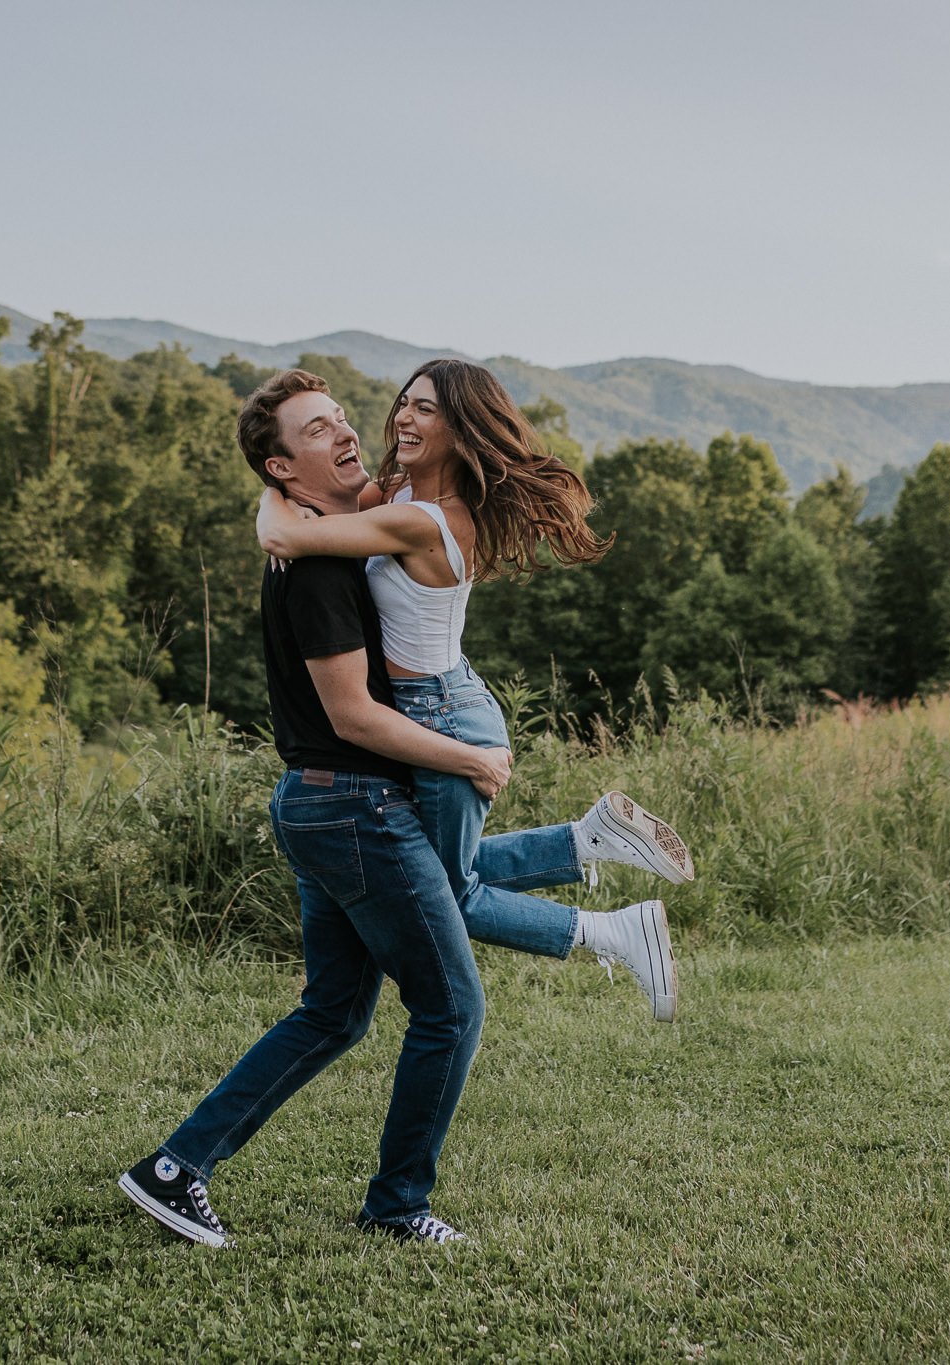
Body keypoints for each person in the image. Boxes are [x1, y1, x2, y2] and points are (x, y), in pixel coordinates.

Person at [117, 369, 517, 1249]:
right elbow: (352, 715)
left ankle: (174, 1169)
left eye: (342, 419)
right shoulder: (319, 569)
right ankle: (397, 1205)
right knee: (452, 1008)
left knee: (335, 1011)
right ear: (281, 465)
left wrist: (279, 508)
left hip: (325, 804)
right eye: (315, 431)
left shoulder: (320, 536)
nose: (346, 434)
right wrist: (469, 757)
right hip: (350, 804)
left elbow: (325, 515)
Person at [256, 358, 693, 1022]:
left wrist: (272, 488)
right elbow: (305, 512)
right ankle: (582, 843)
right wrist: (277, 479)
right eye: (406, 401)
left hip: (442, 717)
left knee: (448, 894)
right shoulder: (396, 492)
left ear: (462, 431)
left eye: (426, 409)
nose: (404, 415)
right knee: (424, 877)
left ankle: (613, 931)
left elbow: (285, 532)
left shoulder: (425, 521)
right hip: (448, 700)